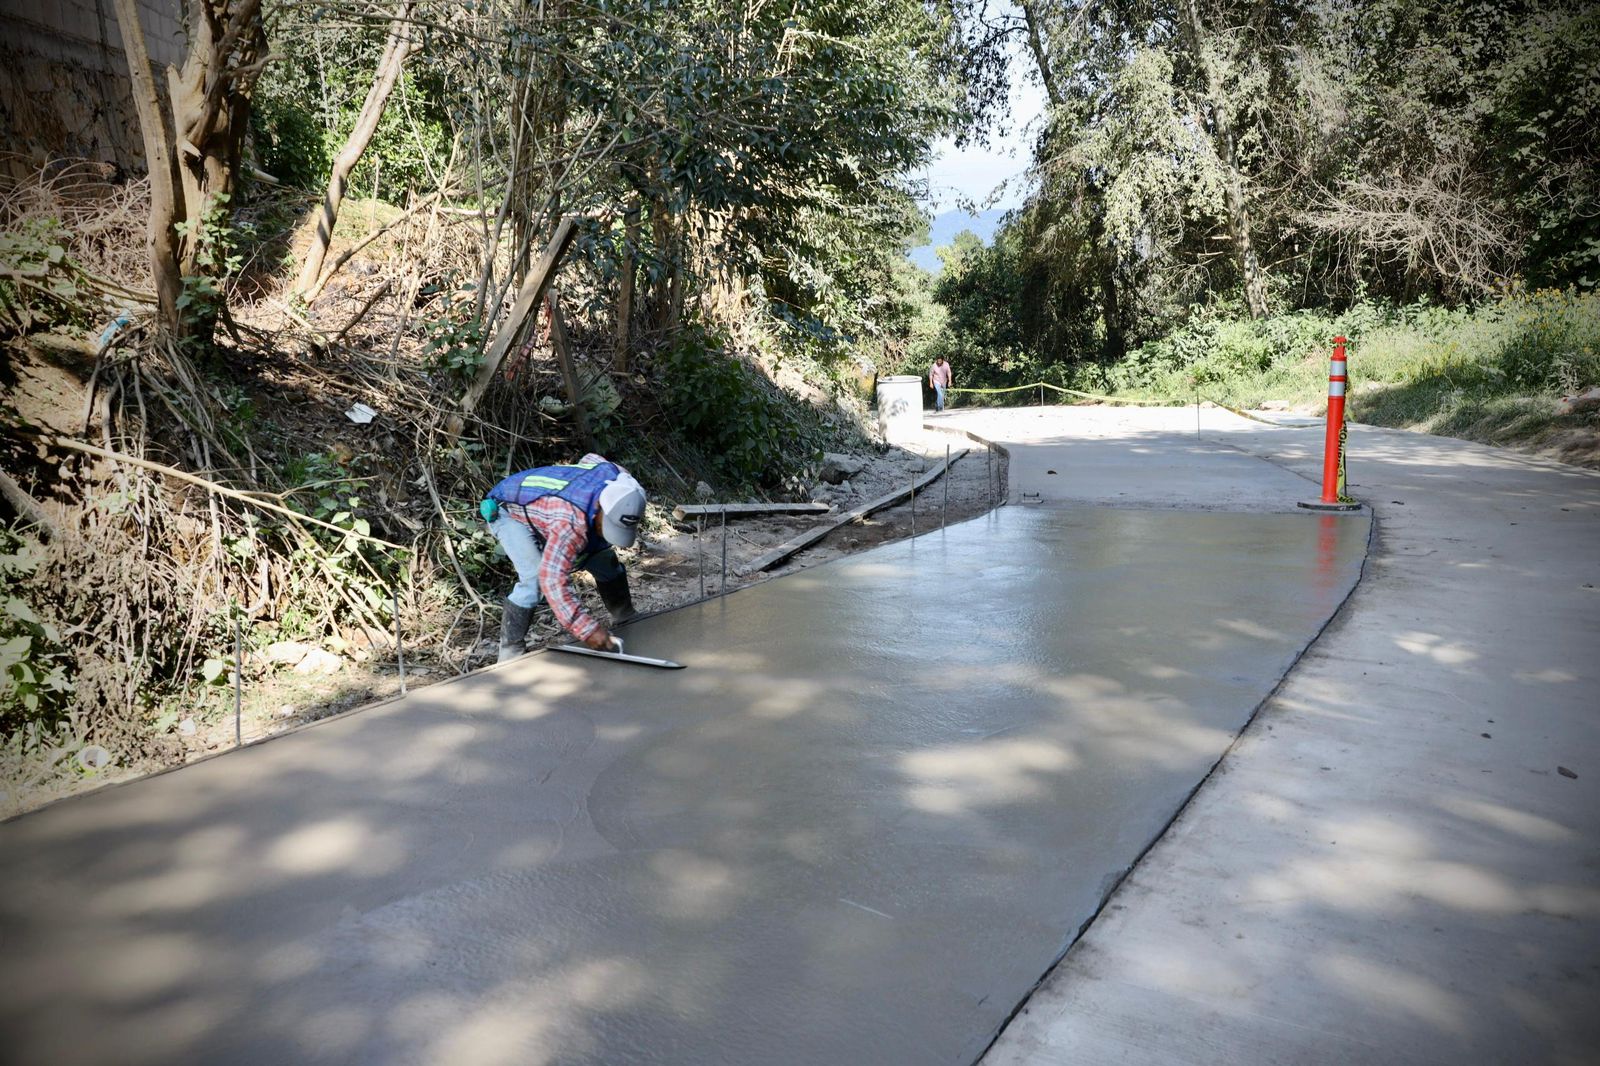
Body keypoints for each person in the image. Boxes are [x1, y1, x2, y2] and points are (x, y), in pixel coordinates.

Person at [480, 454, 647, 662]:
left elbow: (590, 459)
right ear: (599, 507)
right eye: (608, 525)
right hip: (509, 509)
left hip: (552, 508)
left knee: (604, 559)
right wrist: (587, 631)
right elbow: (552, 579)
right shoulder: (570, 522)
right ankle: (510, 653)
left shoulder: (621, 481)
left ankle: (625, 616)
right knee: (534, 578)